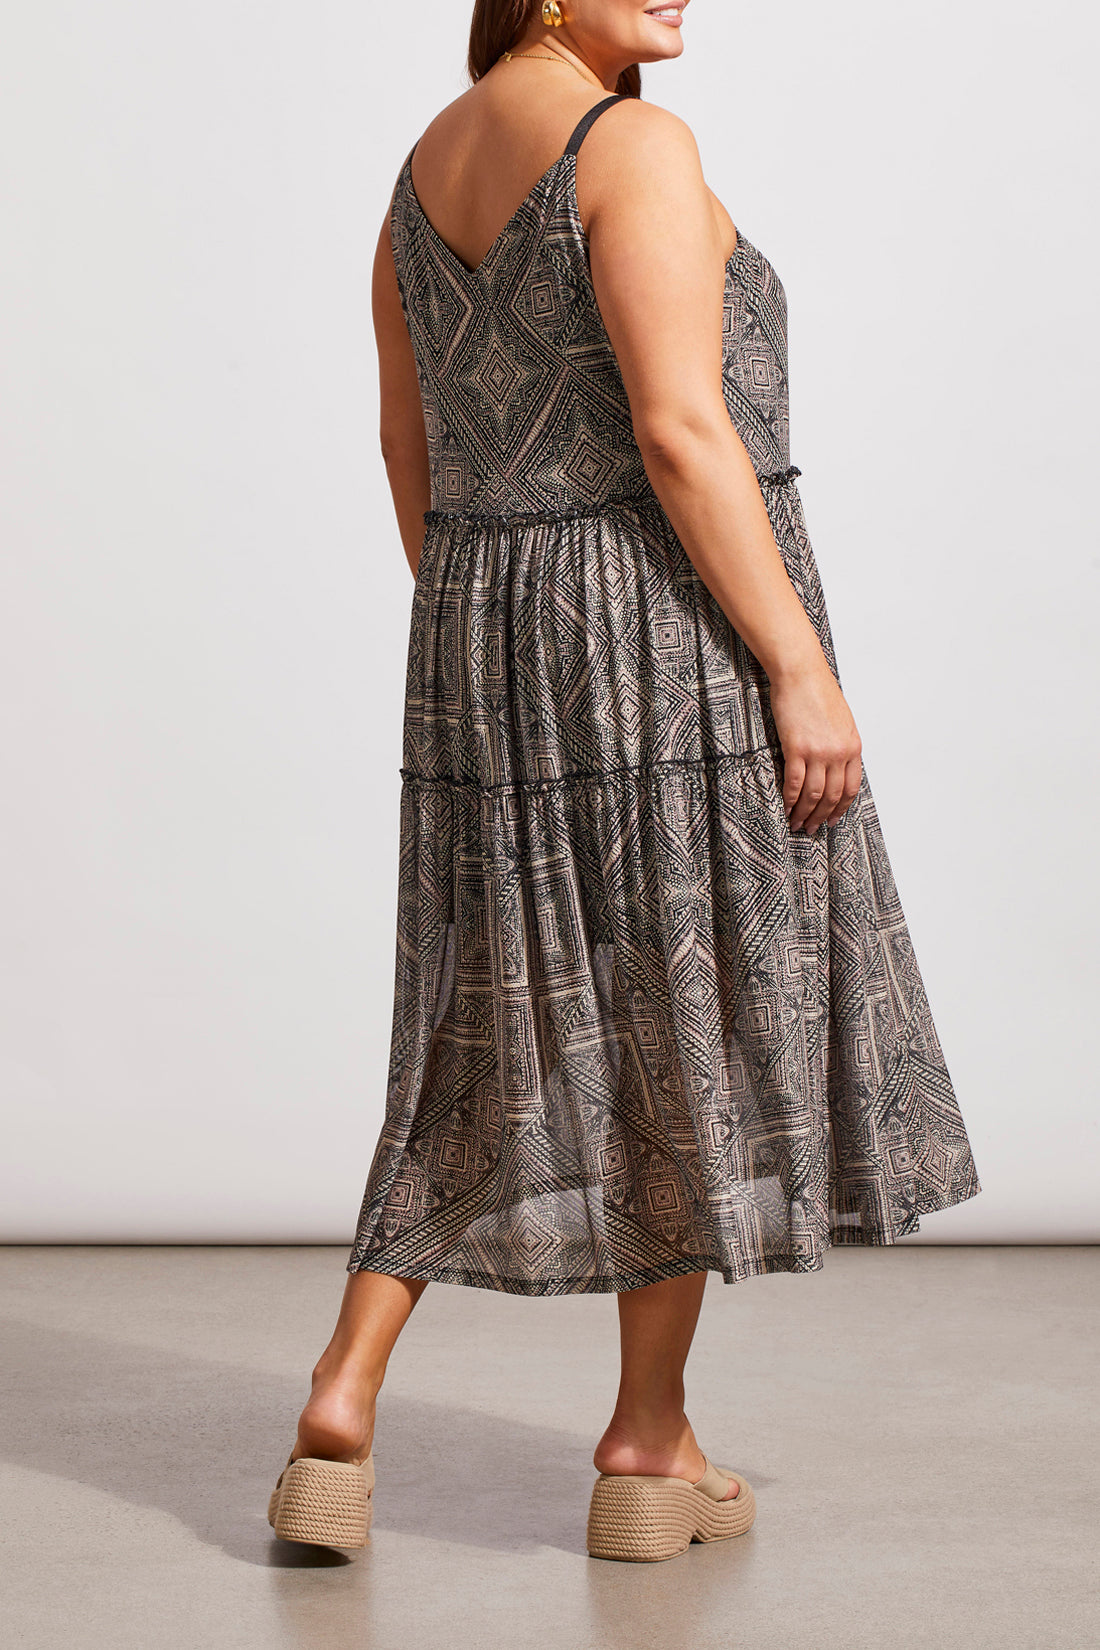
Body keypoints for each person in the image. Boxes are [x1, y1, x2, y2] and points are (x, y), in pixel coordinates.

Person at [266, 0, 982, 1563]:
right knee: (696, 1005)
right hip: (664, 621)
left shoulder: (415, 174)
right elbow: (678, 427)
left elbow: (411, 448)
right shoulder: (631, 143)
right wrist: (795, 663)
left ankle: (344, 1386)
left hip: (483, 625)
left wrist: (501, 658)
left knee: (477, 1017)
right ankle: (646, 1441)